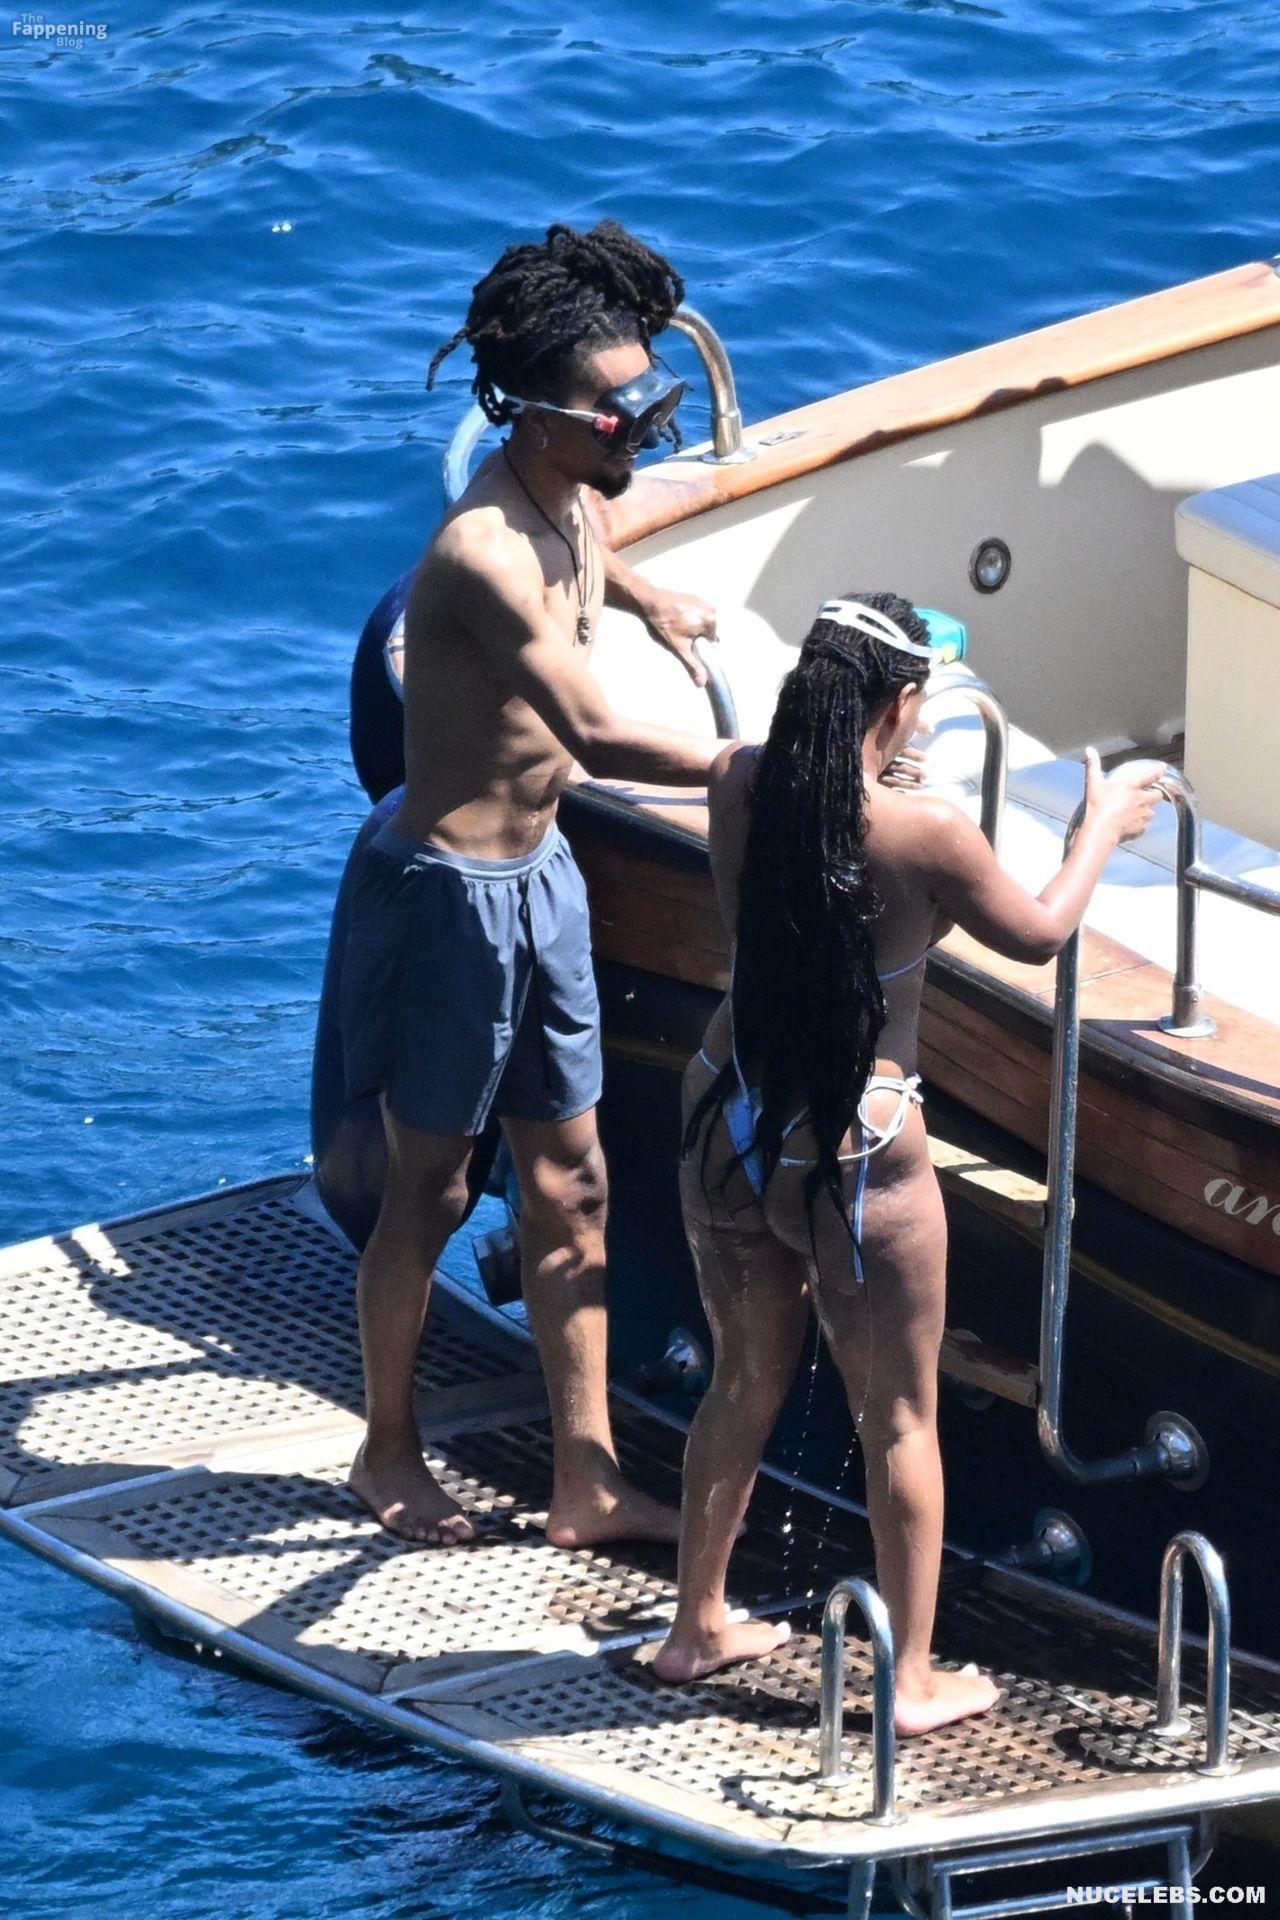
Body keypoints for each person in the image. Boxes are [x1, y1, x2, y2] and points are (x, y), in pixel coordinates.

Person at [652, 592, 1165, 1734]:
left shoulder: (738, 781)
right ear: (898, 703)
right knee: (897, 1419)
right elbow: (1038, 932)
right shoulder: (924, 833)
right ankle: (911, 1679)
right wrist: (1099, 827)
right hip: (858, 1145)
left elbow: (806, 873)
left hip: (729, 1113)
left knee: (741, 1376)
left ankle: (695, 1629)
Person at [342, 220, 725, 1546]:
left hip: (542, 877)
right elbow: (597, 735)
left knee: (576, 1189)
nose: (641, 436)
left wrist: (646, 597)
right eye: (619, 415)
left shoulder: (570, 494)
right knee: (434, 1191)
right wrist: (756, 764)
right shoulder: (481, 553)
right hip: (450, 897)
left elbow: (585, 544)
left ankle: (587, 1479)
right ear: (535, 414)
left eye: (647, 404)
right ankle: (386, 1452)